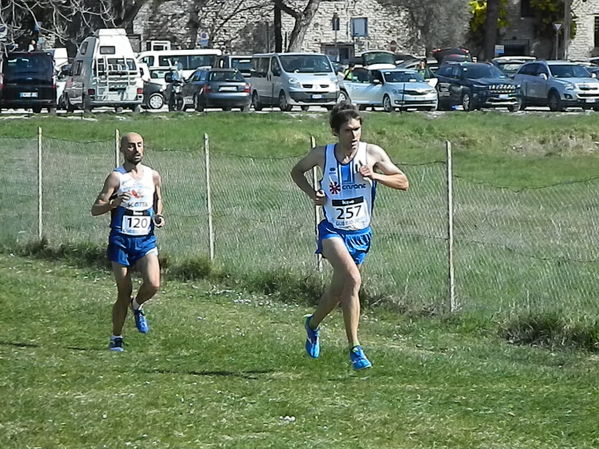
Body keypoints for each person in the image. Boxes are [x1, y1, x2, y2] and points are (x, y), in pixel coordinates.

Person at [290, 102, 409, 370]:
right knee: (354, 281)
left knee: (336, 291)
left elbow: (403, 182)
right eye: (347, 130)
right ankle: (355, 349)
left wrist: (376, 176)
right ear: (336, 132)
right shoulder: (322, 155)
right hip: (332, 230)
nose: (353, 136)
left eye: (357, 129)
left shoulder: (372, 154)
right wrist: (313, 194)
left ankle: (312, 324)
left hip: (361, 234)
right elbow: (296, 171)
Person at [91, 132, 165, 352]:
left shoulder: (152, 175)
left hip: (145, 241)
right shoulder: (116, 177)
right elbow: (96, 208)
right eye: (131, 146)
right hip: (121, 241)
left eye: (140, 145)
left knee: (153, 284)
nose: (136, 150)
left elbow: (158, 199)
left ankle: (137, 305)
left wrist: (158, 215)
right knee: (123, 292)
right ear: (122, 149)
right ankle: (116, 336)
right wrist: (113, 204)